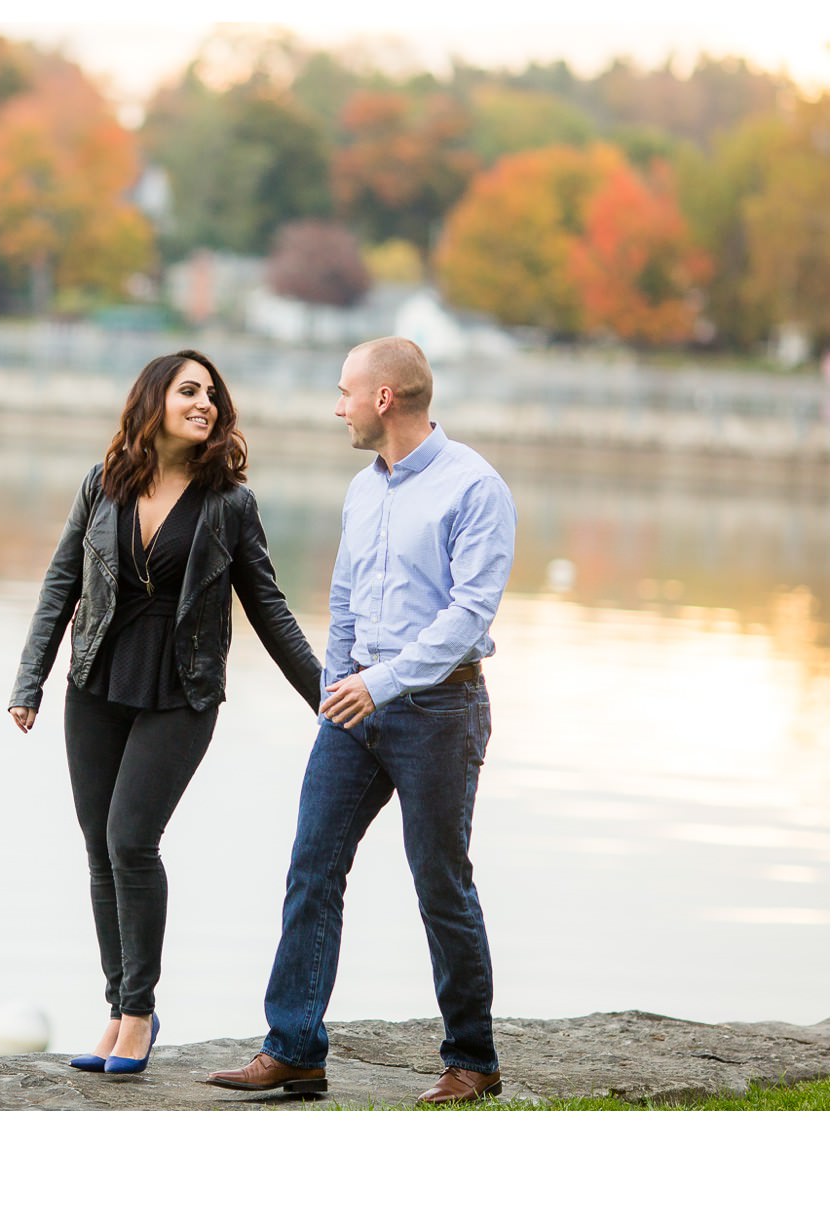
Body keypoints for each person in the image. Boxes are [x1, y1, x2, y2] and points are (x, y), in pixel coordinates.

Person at [205, 336, 517, 1105]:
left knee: (440, 882)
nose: (336, 404)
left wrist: (379, 684)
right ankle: (295, 1048)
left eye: (345, 390)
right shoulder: (362, 488)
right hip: (355, 707)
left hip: (440, 708)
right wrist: (337, 683)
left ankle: (472, 1062)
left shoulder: (474, 488)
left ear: (385, 398)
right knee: (313, 867)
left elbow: (468, 613)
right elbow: (344, 597)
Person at [9, 349, 322, 1076]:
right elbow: (61, 583)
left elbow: (270, 609)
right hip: (95, 683)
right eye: (189, 391)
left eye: (212, 394)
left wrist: (327, 696)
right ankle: (116, 1008)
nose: (205, 403)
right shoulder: (103, 483)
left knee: (130, 840)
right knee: (98, 847)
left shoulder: (229, 505)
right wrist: (31, 681)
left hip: (181, 692)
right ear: (153, 402)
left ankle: (142, 1014)